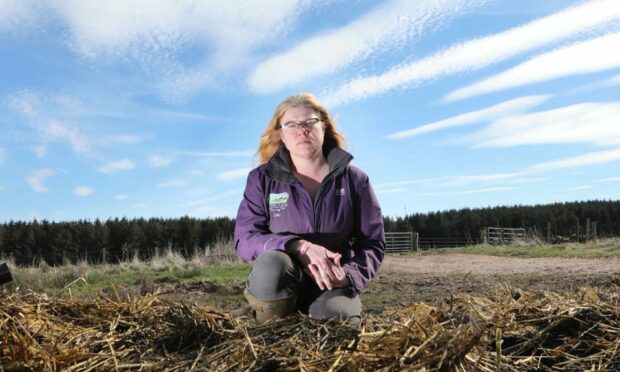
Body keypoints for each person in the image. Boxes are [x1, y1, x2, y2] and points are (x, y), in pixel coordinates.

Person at [234, 92, 385, 326]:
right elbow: (245, 238)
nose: (301, 130)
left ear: (323, 128)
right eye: (291, 125)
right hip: (282, 275)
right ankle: (269, 319)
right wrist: (298, 246)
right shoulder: (261, 180)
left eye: (309, 122)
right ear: (281, 135)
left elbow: (372, 243)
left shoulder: (355, 180)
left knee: (339, 323)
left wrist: (349, 275)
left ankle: (329, 308)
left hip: (331, 280)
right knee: (271, 263)